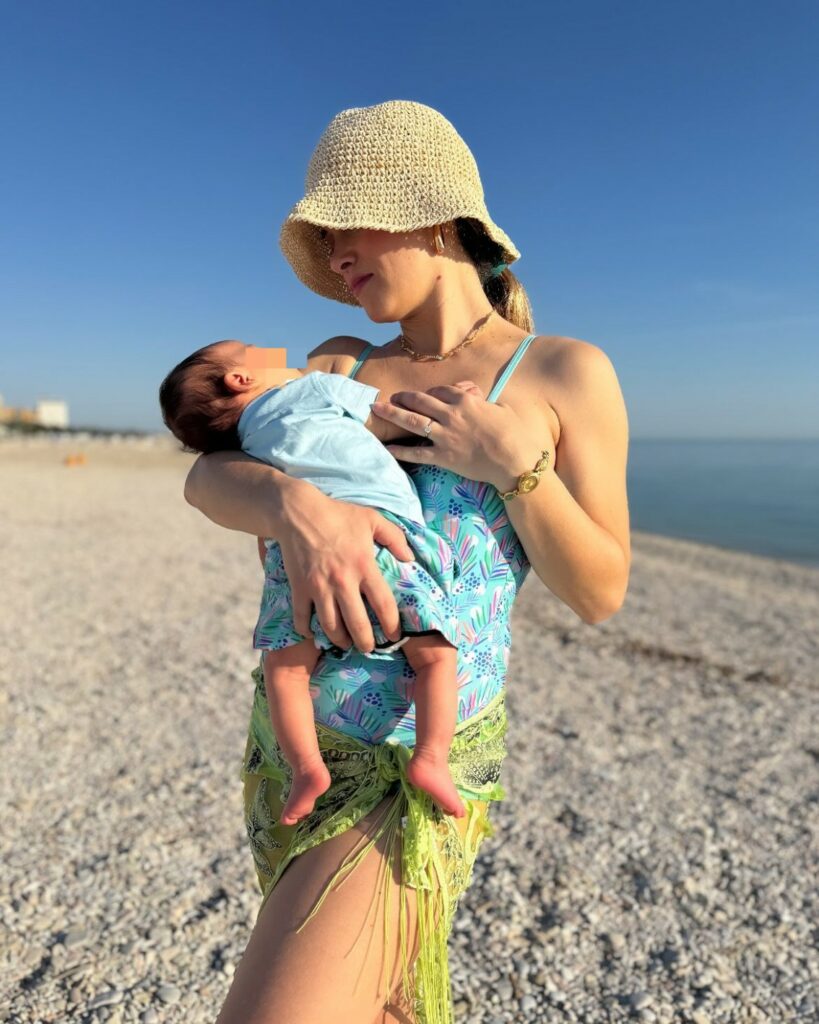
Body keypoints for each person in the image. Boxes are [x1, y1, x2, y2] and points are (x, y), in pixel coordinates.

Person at [183, 100, 631, 1024]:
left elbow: (600, 592)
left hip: (412, 765)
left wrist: (518, 468)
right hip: (291, 749)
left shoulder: (561, 373)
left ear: (429, 216)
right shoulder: (337, 364)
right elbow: (205, 479)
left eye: (344, 225)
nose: (334, 255)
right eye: (323, 237)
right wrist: (297, 509)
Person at [158, 339, 473, 823]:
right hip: (383, 533)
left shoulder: (243, 448)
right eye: (252, 348)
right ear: (240, 378)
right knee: (434, 654)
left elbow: (218, 488)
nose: (272, 349)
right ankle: (430, 757)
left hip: (293, 559)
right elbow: (391, 421)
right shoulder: (315, 388)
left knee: (285, 669)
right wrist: (451, 405)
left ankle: (306, 768)